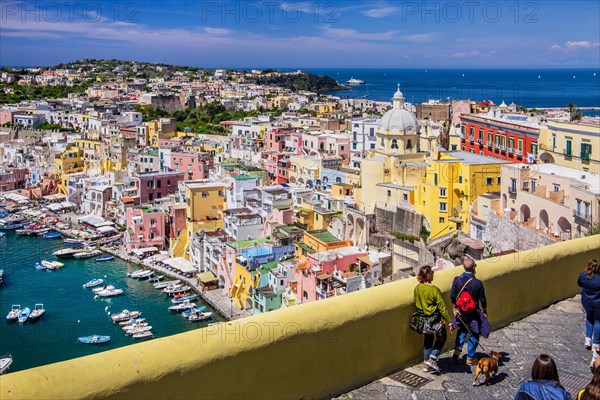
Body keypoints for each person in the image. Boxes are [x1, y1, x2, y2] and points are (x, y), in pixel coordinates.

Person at [450, 255, 490, 365]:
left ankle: (456, 353)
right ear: (473, 268)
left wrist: (455, 309)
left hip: (461, 311)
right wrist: (485, 310)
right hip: (473, 312)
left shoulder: (456, 280)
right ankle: (470, 357)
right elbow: (482, 299)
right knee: (474, 332)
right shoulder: (477, 283)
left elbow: (452, 296)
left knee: (462, 331)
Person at [413, 265, 453, 373]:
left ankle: (426, 366)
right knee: (442, 338)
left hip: (424, 320)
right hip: (435, 320)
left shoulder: (417, 288)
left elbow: (417, 303)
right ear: (429, 275)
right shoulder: (434, 290)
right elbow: (442, 308)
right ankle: (432, 358)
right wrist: (449, 321)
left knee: (428, 341)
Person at [578, 259, 600, 367]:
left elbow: (579, 283)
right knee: (598, 321)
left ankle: (588, 339)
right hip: (598, 304)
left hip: (586, 302)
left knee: (589, 318)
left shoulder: (583, 276)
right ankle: (595, 343)